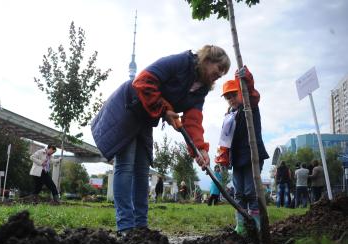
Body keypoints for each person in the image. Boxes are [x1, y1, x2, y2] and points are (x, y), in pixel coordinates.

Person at [91, 45, 230, 233]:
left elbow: (194, 120)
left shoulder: (201, 89)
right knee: (126, 165)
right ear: (207, 60)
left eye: (223, 73)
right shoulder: (181, 62)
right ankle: (125, 226)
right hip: (129, 107)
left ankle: (140, 226)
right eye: (218, 69)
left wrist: (200, 150)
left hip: (147, 116)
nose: (219, 75)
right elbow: (143, 81)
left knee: (141, 169)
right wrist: (165, 110)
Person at [215, 66, 269, 234]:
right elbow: (225, 140)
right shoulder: (229, 116)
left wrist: (246, 79)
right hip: (237, 158)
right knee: (239, 194)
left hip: (252, 155)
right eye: (227, 97)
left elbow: (252, 93)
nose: (231, 98)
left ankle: (256, 227)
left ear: (240, 92)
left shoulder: (249, 107)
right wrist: (223, 158)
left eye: (233, 94)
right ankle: (242, 227)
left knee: (251, 193)